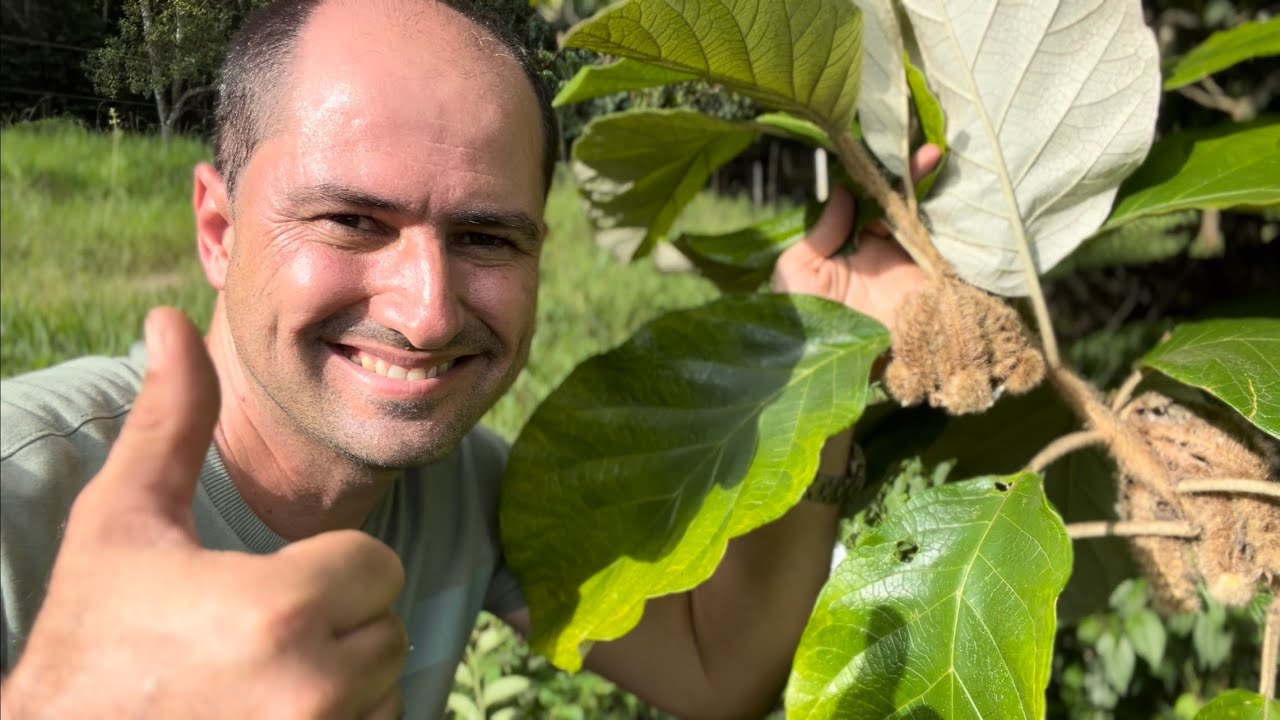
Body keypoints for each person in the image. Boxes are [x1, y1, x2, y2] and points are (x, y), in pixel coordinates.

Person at [0, 0, 937, 717]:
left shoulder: (465, 489)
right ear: (218, 229)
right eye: (351, 221)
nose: (427, 314)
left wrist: (821, 363)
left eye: (486, 238)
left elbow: (714, 670)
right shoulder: (24, 497)